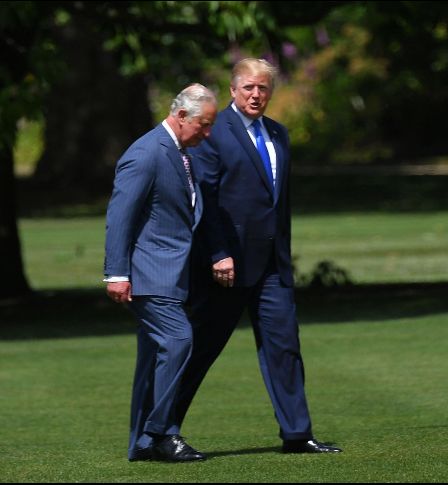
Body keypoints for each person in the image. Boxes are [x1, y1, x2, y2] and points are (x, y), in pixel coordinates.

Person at [175, 58, 342, 454]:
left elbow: (276, 205)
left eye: (263, 88)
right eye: (248, 87)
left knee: (285, 348)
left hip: (272, 268)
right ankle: (160, 431)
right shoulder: (214, 133)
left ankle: (297, 434)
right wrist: (218, 253)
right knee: (199, 350)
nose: (256, 95)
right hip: (225, 268)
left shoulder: (279, 135)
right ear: (233, 90)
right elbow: (207, 201)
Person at [103, 83, 218, 462]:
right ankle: (163, 433)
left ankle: (142, 443)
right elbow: (120, 215)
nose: (207, 133)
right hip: (149, 274)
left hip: (171, 273)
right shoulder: (147, 152)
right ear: (181, 115)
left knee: (155, 355)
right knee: (180, 339)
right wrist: (116, 273)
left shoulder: (180, 151)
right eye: (203, 124)